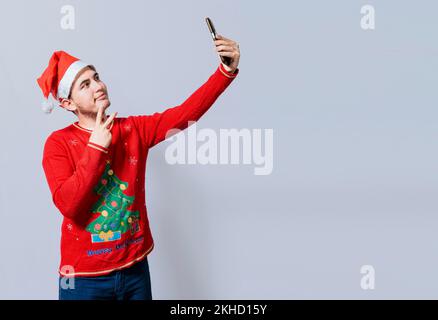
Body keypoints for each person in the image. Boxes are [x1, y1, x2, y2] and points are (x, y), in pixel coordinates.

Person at [38, 35, 240, 300]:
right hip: (84, 280)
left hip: (135, 271)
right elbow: (70, 204)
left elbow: (184, 115)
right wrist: (96, 148)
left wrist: (226, 71)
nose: (98, 86)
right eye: (85, 85)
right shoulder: (58, 144)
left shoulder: (134, 129)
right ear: (68, 103)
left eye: (97, 77)